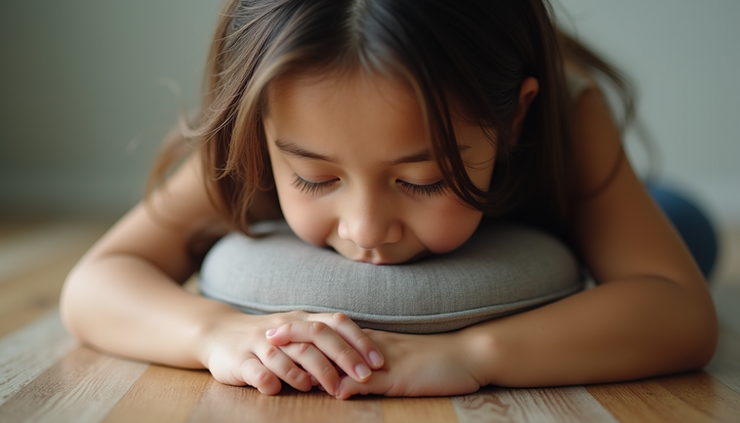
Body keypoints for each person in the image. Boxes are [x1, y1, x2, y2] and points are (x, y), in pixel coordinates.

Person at [60, 0, 718, 399]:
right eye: (316, 178)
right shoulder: (260, 120)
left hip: (576, 204)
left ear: (514, 120)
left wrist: (472, 354)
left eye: (424, 180)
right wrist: (214, 333)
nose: (365, 227)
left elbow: (680, 309)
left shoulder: (567, 119)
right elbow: (94, 282)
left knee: (687, 228)